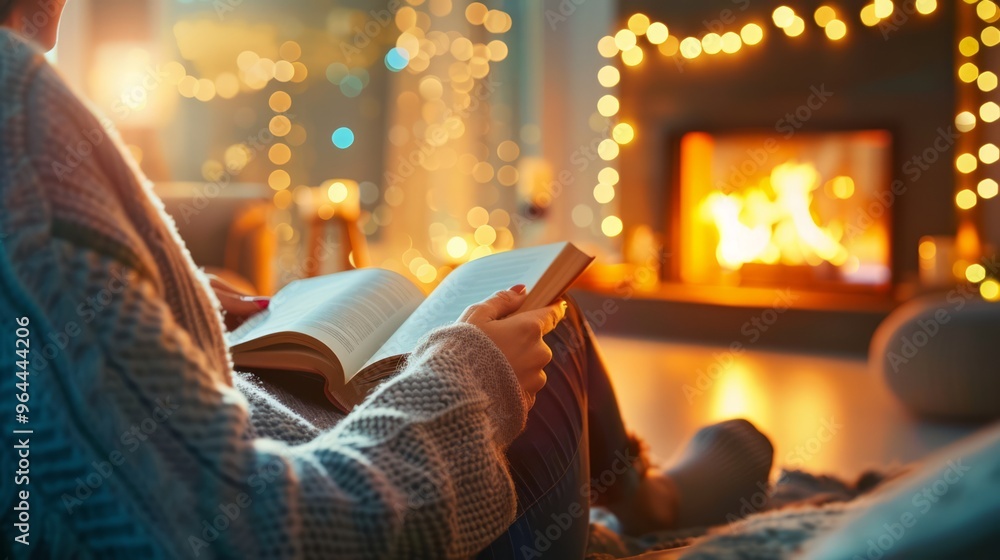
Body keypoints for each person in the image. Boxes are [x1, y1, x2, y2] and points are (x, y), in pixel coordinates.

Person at [0, 1, 773, 558]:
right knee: (539, 313)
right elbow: (251, 533)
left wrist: (173, 301)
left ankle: (623, 502)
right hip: (416, 521)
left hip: (269, 424)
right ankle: (647, 503)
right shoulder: (23, 116)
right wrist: (468, 374)